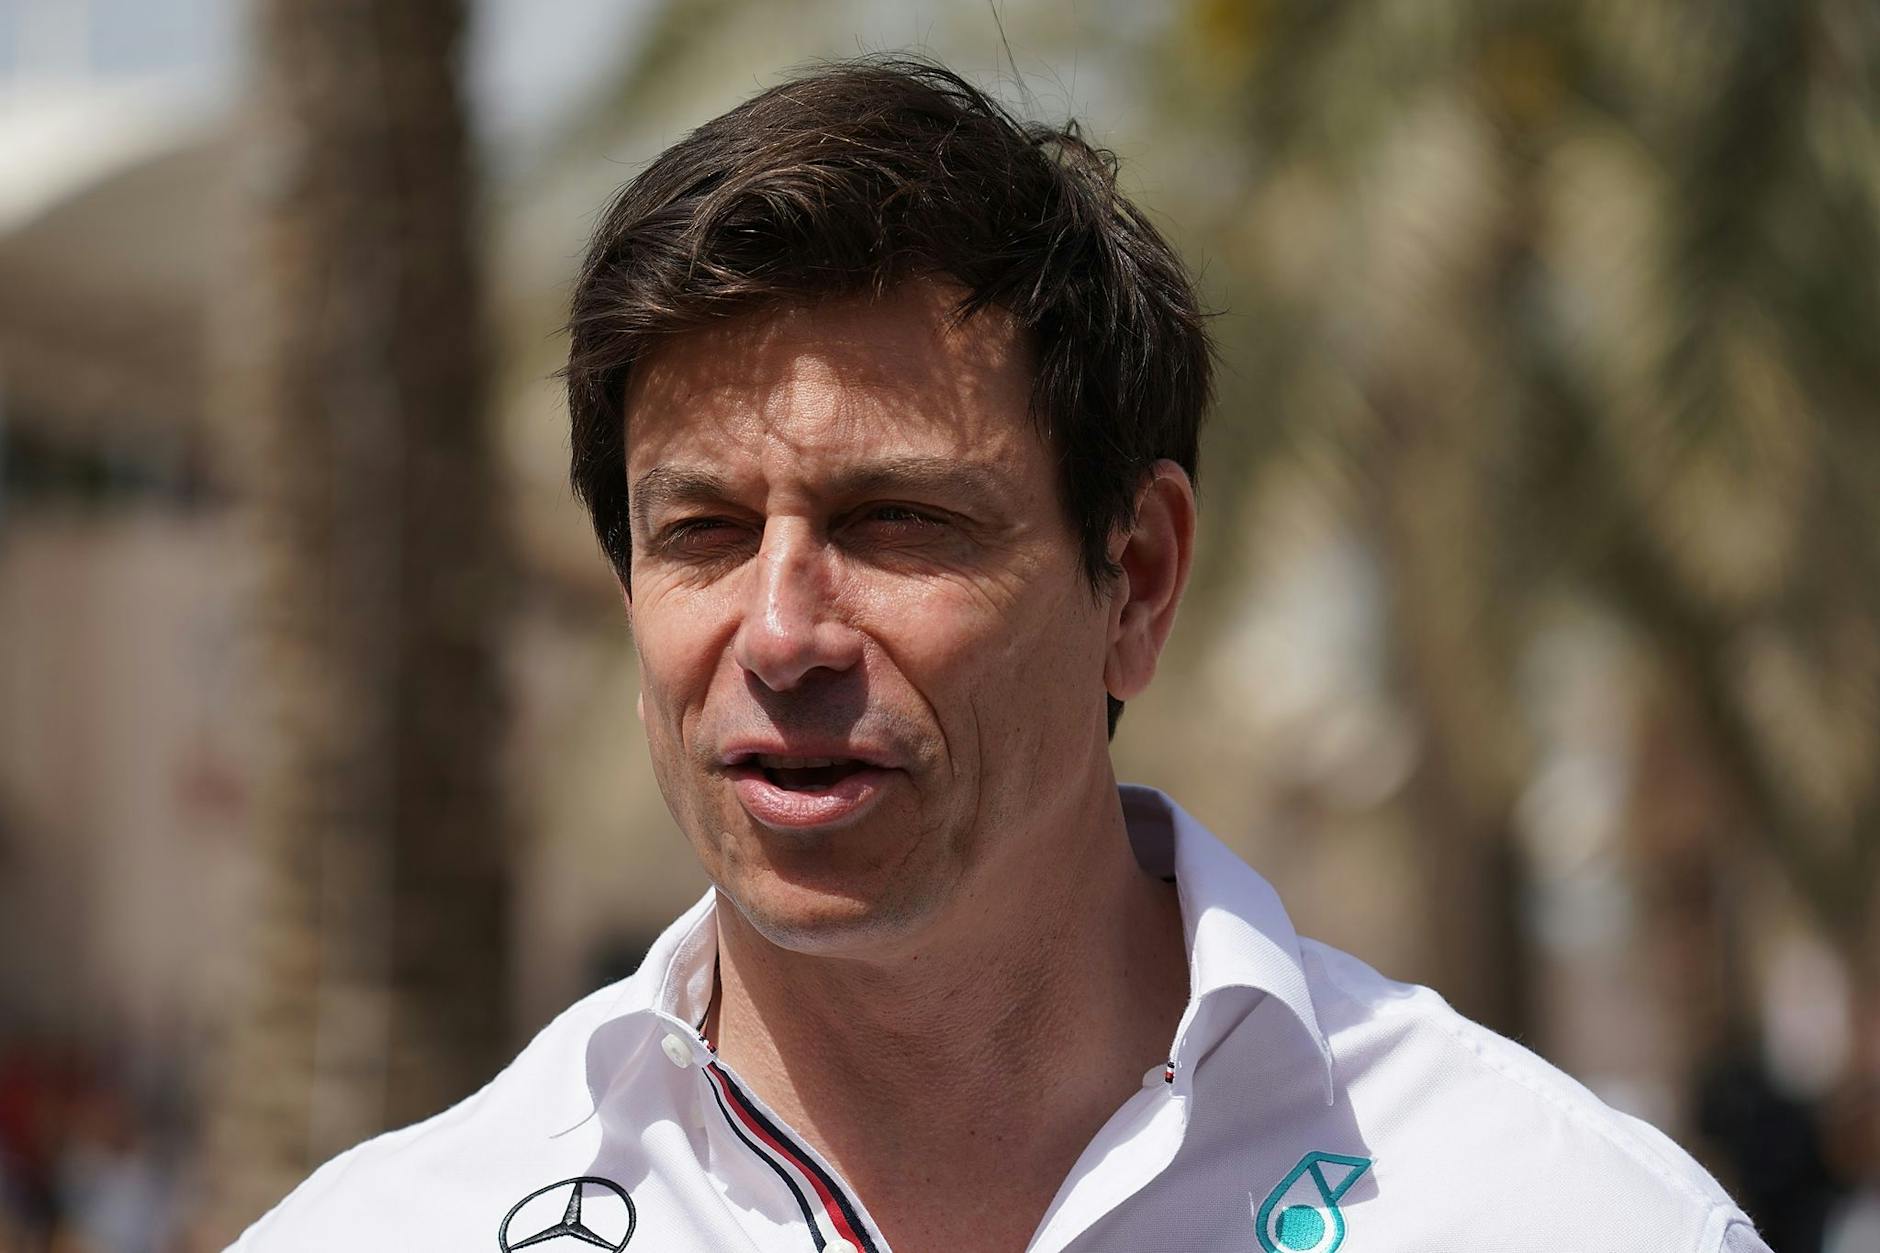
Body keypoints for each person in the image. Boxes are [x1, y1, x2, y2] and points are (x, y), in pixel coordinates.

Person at [234, 58, 1773, 1253]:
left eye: (895, 520)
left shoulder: (1558, 1213)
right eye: (701, 531)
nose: (781, 631)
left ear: (1137, 578)